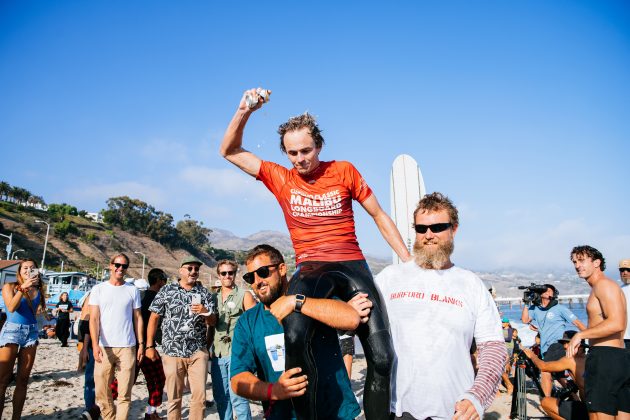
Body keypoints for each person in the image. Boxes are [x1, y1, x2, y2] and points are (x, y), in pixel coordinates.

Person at [220, 88, 410, 419]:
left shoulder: (344, 171)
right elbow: (229, 151)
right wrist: (243, 110)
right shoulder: (280, 178)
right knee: (294, 334)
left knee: (382, 358)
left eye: (306, 151)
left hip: (351, 263)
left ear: (319, 146)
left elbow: (378, 215)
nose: (300, 159)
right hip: (310, 268)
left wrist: (408, 264)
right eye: (292, 153)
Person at [375, 192, 506, 419]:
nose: (428, 235)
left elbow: (493, 348)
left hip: (456, 411)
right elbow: (356, 323)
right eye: (421, 228)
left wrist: (478, 396)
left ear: (453, 229)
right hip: (397, 410)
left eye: (437, 228)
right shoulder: (389, 278)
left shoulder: (471, 284)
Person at [230, 244, 371, 420]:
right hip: (284, 415)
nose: (258, 281)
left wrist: (296, 302)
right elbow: (237, 380)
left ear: (282, 269)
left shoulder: (312, 297)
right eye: (250, 277)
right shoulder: (248, 322)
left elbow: (350, 319)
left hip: (335, 411)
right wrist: (274, 390)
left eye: (263, 272)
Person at [146, 256, 216, 420]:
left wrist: (205, 312)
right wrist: (149, 346)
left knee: (199, 398)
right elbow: (154, 318)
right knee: (174, 398)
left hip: (197, 351)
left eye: (196, 269)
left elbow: (212, 322)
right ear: (181, 271)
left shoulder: (204, 293)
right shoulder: (167, 290)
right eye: (190, 268)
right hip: (172, 351)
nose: (194, 272)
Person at [567, 245, 630, 419]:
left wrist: (580, 335)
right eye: (574, 262)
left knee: (597, 415)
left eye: (581, 260)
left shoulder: (603, 285)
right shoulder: (605, 286)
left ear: (597, 262)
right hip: (617, 357)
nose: (577, 265)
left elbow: (617, 323)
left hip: (605, 358)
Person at [90, 253, 144, 420]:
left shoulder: (132, 290)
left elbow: (138, 318)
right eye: (118, 265)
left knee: (124, 393)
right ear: (110, 265)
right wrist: (94, 344)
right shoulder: (98, 289)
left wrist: (141, 344)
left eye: (124, 266)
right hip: (104, 346)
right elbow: (94, 319)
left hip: (128, 347)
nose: (120, 268)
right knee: (101, 391)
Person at [0, 258, 47, 420]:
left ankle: (16, 418)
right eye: (25, 268)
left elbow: (34, 313)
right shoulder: (10, 286)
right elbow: (11, 307)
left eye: (32, 268)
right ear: (19, 272)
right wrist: (22, 288)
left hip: (31, 333)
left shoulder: (37, 290)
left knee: (23, 380)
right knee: (3, 380)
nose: (28, 270)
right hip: (12, 331)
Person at [521, 283, 586, 397]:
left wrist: (586, 339)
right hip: (544, 347)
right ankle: (577, 398)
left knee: (545, 371)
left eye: (551, 291)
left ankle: (546, 401)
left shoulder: (560, 308)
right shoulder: (535, 308)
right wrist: (526, 304)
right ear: (540, 294)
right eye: (546, 291)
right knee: (559, 376)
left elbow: (578, 323)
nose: (548, 292)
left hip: (557, 345)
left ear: (554, 294)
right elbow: (525, 320)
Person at [211, 259, 256, 420]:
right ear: (219, 275)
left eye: (231, 273)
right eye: (224, 273)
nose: (227, 276)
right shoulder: (213, 297)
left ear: (235, 274)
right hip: (217, 352)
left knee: (238, 395)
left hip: (237, 353)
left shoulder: (245, 295)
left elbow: (254, 325)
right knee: (221, 396)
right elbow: (211, 326)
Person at [522, 331, 588, 420]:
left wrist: (532, 355)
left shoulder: (570, 360)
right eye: (564, 343)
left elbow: (543, 367)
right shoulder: (590, 358)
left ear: (578, 345)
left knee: (545, 402)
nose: (565, 347)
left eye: (568, 343)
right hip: (599, 408)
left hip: (588, 411)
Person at [138, 268, 168, 420]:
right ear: (159, 280)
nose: (165, 282)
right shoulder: (157, 299)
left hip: (134, 345)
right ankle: (151, 413)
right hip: (146, 347)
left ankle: (96, 408)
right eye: (164, 279)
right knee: (157, 380)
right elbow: (156, 325)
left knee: (125, 381)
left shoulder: (140, 296)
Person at [501, 318, 515, 394]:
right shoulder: (500, 329)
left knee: (507, 363)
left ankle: (508, 376)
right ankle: (506, 377)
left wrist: (500, 338)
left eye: (504, 322)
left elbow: (509, 338)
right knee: (504, 364)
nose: (502, 323)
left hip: (509, 347)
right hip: (503, 347)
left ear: (507, 323)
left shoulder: (510, 329)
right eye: (502, 322)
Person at [619, 258, 630, 349]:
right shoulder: (619, 289)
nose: (625, 272)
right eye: (622, 270)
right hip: (623, 336)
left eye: (628, 270)